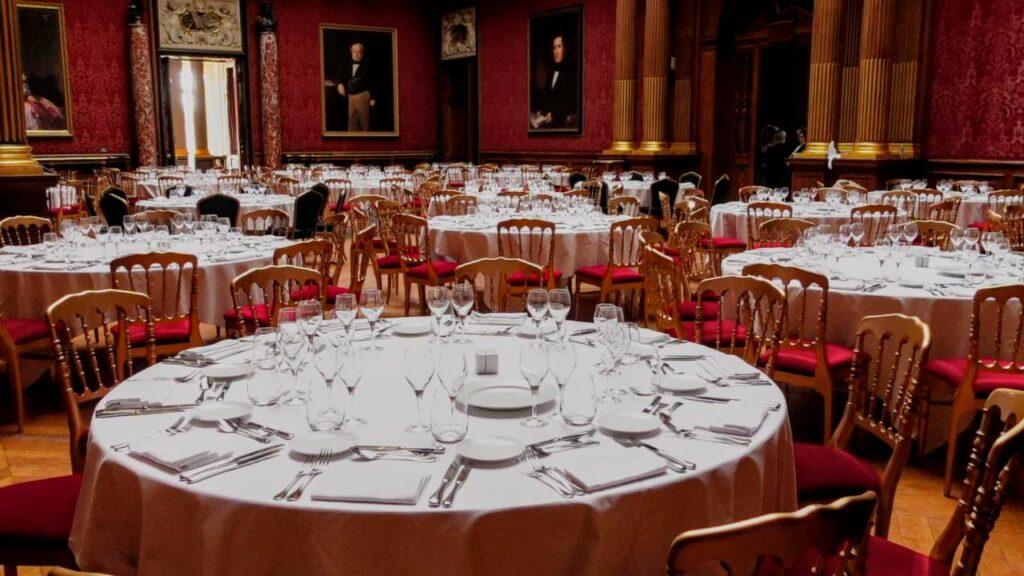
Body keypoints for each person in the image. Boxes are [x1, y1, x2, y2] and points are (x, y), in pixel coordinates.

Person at [530, 34, 577, 129]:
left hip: (561, 123)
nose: (556, 51)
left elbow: (570, 103)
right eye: (554, 48)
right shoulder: (551, 74)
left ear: (565, 49)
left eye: (559, 46)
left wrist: (554, 115)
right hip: (547, 123)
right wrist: (541, 111)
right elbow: (547, 98)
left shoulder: (571, 74)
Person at [325, 42, 374, 131]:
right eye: (353, 52)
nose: (356, 54)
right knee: (352, 125)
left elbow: (368, 83)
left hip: (362, 96)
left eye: (358, 52)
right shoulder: (347, 66)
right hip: (351, 97)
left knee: (365, 125)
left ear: (362, 53)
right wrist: (339, 84)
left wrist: (373, 98)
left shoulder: (367, 66)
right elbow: (339, 77)